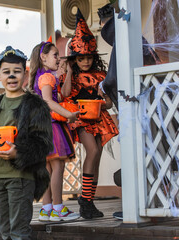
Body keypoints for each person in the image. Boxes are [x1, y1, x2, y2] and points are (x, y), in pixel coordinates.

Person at [0, 46, 53, 240]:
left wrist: (19, 152)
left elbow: (43, 143)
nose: (11, 76)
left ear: (24, 74)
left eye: (16, 72)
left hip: (21, 176)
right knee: (5, 231)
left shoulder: (35, 105)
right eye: (6, 72)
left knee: (19, 231)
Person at [59, 9, 119, 219]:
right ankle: (84, 200)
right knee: (92, 151)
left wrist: (103, 101)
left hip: (99, 118)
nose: (85, 62)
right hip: (81, 119)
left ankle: (89, 202)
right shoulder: (73, 77)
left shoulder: (101, 75)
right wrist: (68, 71)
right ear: (75, 59)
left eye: (88, 58)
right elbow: (65, 94)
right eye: (81, 58)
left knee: (97, 158)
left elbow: (110, 103)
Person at [28, 37, 80, 222]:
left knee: (48, 169)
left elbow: (63, 94)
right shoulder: (47, 77)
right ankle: (58, 208)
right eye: (55, 55)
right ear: (43, 57)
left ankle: (46, 208)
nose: (58, 58)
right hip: (52, 126)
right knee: (57, 166)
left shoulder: (41, 77)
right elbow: (49, 101)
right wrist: (69, 115)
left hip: (41, 127)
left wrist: (68, 72)